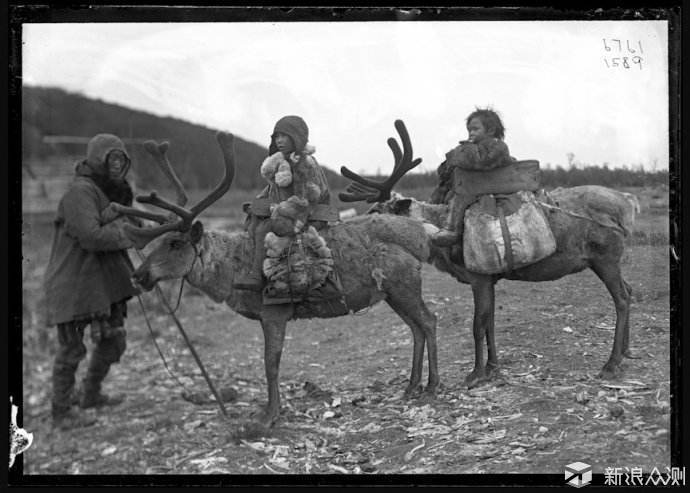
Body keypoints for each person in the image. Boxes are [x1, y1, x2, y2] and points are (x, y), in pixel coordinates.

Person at [43, 133, 140, 430]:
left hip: (101, 283)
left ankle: (90, 394)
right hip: (73, 282)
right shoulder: (80, 192)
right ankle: (62, 412)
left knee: (114, 341)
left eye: (121, 160)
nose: (116, 165)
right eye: (111, 158)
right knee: (72, 348)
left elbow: (126, 221)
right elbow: (91, 236)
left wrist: (136, 226)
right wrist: (128, 233)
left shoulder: (113, 192)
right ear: (98, 159)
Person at [233, 115, 331, 292]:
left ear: (297, 137)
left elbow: (310, 196)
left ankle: (256, 276)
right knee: (253, 225)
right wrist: (257, 204)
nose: (279, 140)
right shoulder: (280, 162)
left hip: (305, 215)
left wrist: (284, 209)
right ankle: (253, 270)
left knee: (263, 229)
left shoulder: (306, 163)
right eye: (276, 136)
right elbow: (272, 189)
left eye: (284, 136)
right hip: (285, 211)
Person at [430, 108, 515, 247]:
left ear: (491, 130)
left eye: (475, 129)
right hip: (472, 185)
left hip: (487, 186)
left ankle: (452, 231)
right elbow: (445, 170)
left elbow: (481, 162)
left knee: (460, 198)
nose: (471, 133)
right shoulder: (473, 147)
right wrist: (452, 159)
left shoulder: (497, 146)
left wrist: (464, 150)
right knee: (445, 191)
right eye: (469, 129)